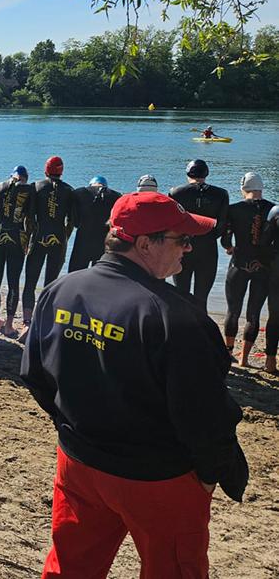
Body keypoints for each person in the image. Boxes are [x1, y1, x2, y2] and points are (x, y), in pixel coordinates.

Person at [21, 191, 248, 578]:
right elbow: (206, 416)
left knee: (71, 566)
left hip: (79, 461)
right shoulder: (175, 316)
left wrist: (74, 424)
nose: (188, 249)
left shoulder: (61, 289)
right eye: (182, 239)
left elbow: (36, 375)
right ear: (145, 244)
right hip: (157, 477)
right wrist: (212, 474)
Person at [221, 172, 273, 365]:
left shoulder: (233, 209)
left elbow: (225, 239)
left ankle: (228, 353)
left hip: (238, 264)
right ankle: (244, 359)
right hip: (263, 267)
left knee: (232, 311)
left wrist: (229, 248)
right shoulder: (273, 209)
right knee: (253, 314)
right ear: (261, 189)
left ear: (244, 189)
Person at [170, 159, 229, 311]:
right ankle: (201, 331)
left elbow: (171, 223)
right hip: (208, 249)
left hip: (182, 247)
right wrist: (208, 236)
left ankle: (181, 331)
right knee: (201, 298)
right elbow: (222, 225)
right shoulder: (221, 194)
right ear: (207, 173)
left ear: (188, 173)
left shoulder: (176, 192)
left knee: (181, 294)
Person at [23, 156, 75, 324]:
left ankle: (26, 319)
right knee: (51, 283)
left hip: (38, 238)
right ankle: (44, 318)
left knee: (30, 280)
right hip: (58, 239)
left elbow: (29, 218)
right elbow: (71, 221)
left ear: (46, 170)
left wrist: (28, 238)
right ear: (62, 171)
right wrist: (64, 238)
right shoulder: (69, 191)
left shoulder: (36, 187)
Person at [0, 165, 34, 337]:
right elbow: (30, 220)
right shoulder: (28, 190)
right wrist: (28, 242)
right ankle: (8, 325)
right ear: (25, 177)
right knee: (13, 283)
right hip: (16, 236)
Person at [68, 176, 121, 272]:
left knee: (76, 274)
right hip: (103, 241)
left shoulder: (79, 193)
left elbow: (74, 220)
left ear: (91, 184)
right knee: (100, 275)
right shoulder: (116, 196)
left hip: (83, 239)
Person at [265, 205, 279, 373]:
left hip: (277, 268)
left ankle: (270, 361)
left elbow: (264, 243)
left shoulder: (275, 211)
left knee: (275, 316)